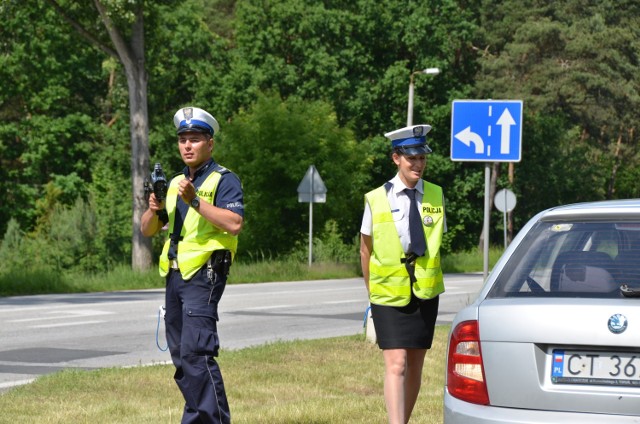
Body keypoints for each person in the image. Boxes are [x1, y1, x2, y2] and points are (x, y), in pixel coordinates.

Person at [141, 106, 244, 424]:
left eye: (195, 139)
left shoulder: (224, 179)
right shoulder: (173, 183)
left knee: (196, 352)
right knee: (182, 358)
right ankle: (197, 418)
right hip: (175, 275)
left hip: (205, 275)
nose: (187, 145)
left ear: (209, 144)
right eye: (183, 139)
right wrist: (153, 208)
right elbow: (149, 229)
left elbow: (234, 223)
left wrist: (196, 200)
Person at [360, 124, 445, 424]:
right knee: (396, 364)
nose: (418, 164)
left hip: (425, 292)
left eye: (422, 158)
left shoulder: (436, 194)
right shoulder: (375, 198)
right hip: (387, 294)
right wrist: (372, 293)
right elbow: (365, 251)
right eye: (412, 158)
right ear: (396, 158)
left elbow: (435, 243)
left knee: (415, 367)